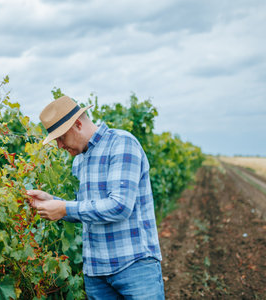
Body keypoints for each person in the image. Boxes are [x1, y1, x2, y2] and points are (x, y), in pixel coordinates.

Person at [27, 95, 165, 299]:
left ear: (78, 124)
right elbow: (85, 209)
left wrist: (64, 208)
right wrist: (51, 200)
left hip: (134, 266)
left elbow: (119, 206)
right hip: (96, 272)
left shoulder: (121, 143)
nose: (59, 146)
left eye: (60, 138)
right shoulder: (79, 161)